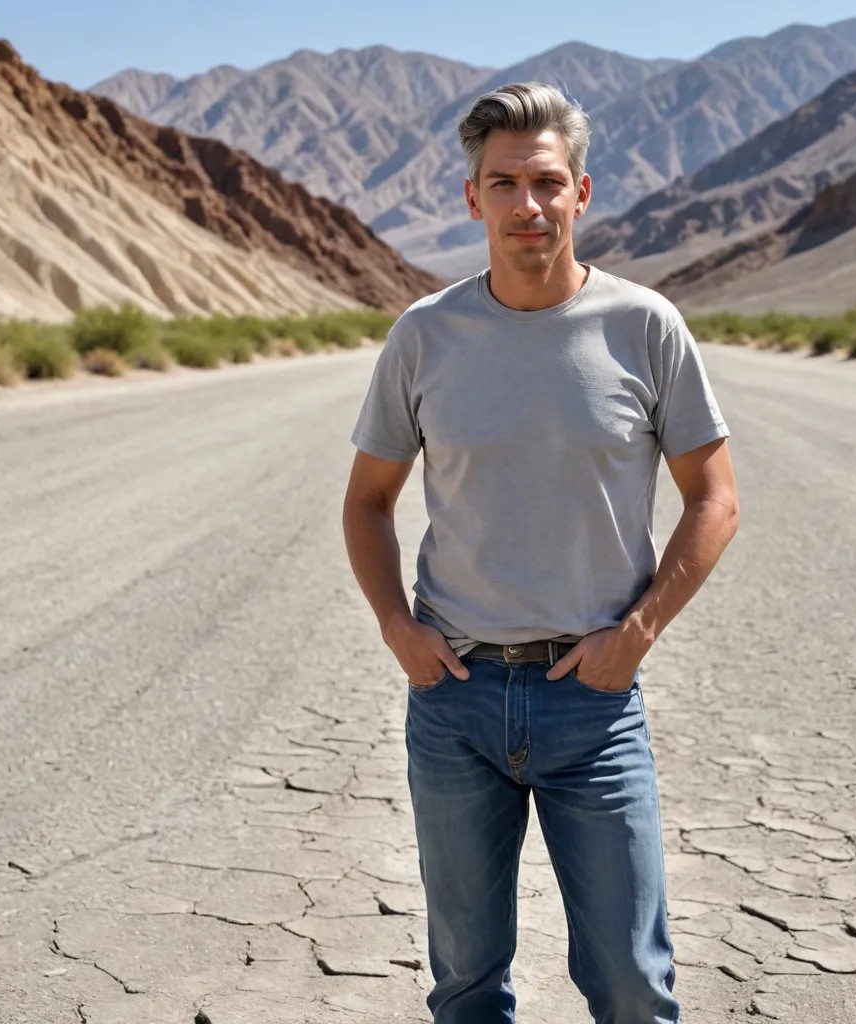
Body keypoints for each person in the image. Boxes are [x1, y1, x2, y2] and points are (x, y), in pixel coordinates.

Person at [342, 81, 739, 1024]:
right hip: (456, 702)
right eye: (506, 183)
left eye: (548, 182)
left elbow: (715, 497)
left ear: (583, 193)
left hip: (592, 703)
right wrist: (397, 629)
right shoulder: (424, 336)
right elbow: (366, 501)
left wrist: (636, 635)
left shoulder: (646, 328)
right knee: (468, 988)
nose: (529, 204)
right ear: (471, 198)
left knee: (634, 988)